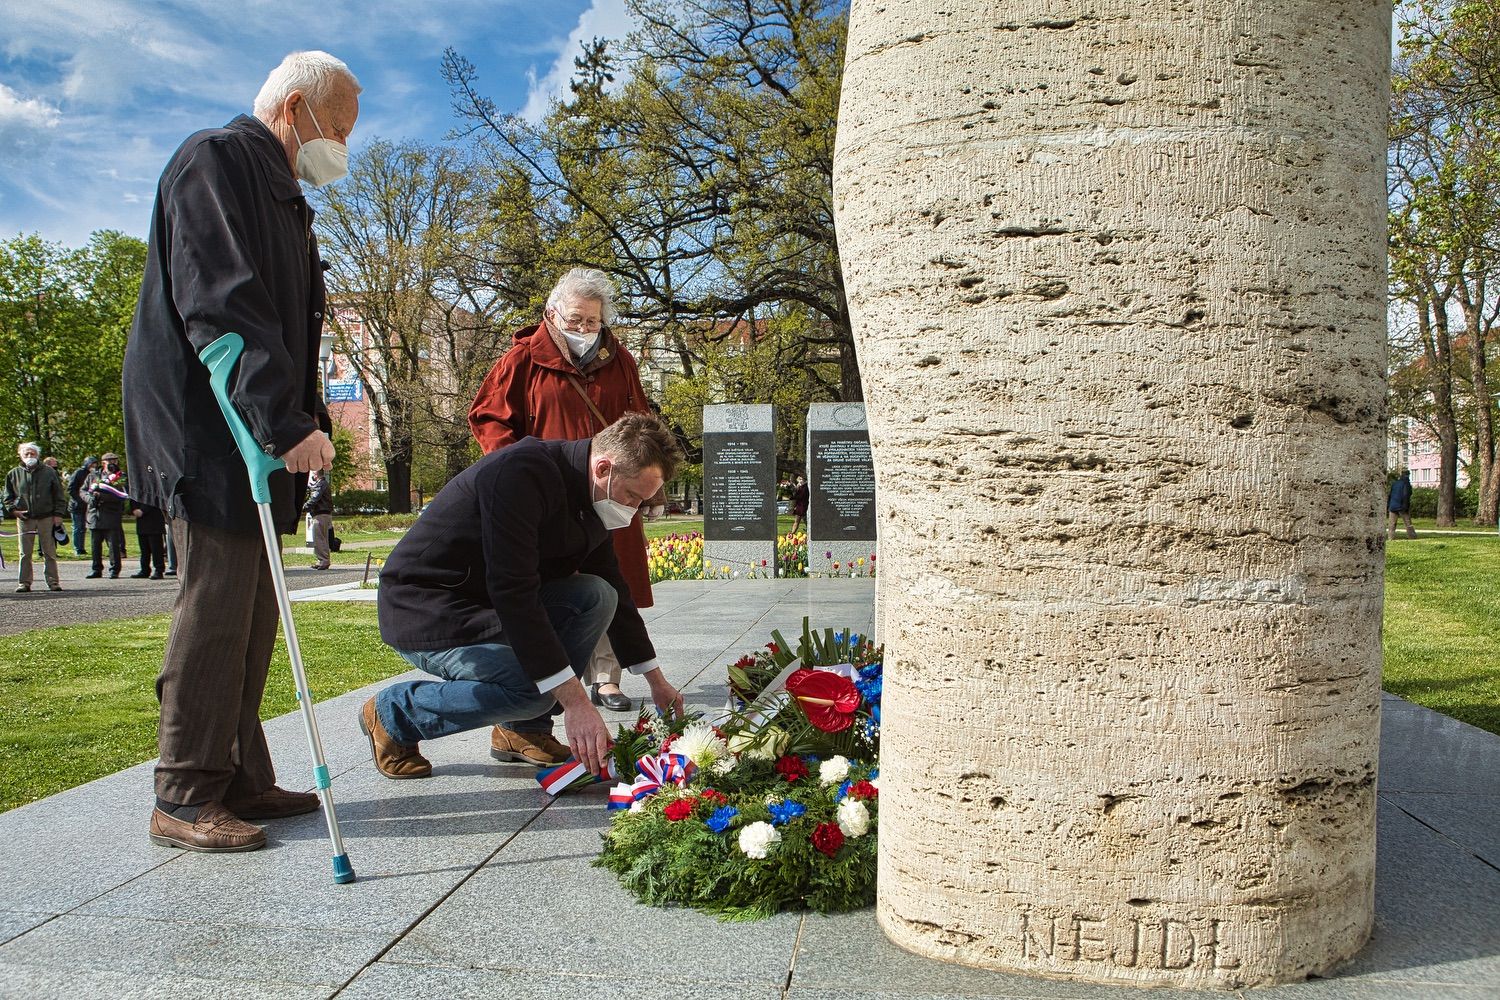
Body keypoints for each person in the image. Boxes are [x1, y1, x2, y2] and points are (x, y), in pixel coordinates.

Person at [122, 50, 360, 853]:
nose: (342, 146)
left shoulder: (285, 195)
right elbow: (222, 304)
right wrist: (281, 422)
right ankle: (184, 792)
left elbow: (295, 325)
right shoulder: (215, 161)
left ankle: (241, 773)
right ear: (294, 109)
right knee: (218, 605)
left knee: (258, 612)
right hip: (210, 426)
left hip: (253, 422)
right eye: (338, 127)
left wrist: (303, 412)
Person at [363, 412, 686, 780]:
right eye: (631, 496)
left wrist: (656, 681)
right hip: (430, 611)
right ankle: (396, 713)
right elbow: (515, 593)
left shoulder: (592, 498)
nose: (632, 511)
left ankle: (522, 730)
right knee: (534, 691)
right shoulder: (519, 473)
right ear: (603, 469)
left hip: (488, 606)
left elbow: (615, 588)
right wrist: (576, 702)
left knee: (597, 595)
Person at [468, 267, 661, 757]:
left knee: (608, 590)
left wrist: (644, 478)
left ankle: (604, 680)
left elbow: (641, 424)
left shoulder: (621, 361)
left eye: (593, 321)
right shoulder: (522, 359)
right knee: (546, 597)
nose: (584, 329)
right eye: (575, 319)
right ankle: (525, 720)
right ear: (552, 314)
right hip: (542, 501)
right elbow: (489, 418)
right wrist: (514, 475)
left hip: (607, 492)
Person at [3, 441, 67, 593]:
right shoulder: (13, 474)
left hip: (46, 517)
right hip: (25, 518)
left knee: (49, 551)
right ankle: (24, 583)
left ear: (38, 455)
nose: (30, 456)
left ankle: (53, 582)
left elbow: (58, 494)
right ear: (20, 455)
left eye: (32, 453)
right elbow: (7, 497)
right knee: (25, 552)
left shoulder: (49, 472)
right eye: (26, 453)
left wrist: (58, 514)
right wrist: (13, 510)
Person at [82, 453, 129, 579]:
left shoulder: (120, 476)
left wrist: (100, 496)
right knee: (95, 545)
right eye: (110, 461)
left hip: (111, 513)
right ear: (103, 462)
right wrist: (90, 498)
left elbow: (120, 493)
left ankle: (114, 569)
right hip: (95, 514)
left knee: (113, 544)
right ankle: (96, 569)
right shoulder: (93, 475)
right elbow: (83, 491)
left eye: (115, 460)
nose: (113, 463)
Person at [303, 468, 333, 569]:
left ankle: (323, 561)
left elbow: (315, 498)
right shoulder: (323, 483)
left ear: (316, 474)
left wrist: (304, 507)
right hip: (324, 514)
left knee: (319, 538)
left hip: (320, 514)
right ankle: (322, 560)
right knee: (322, 538)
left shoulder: (321, 484)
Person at [130, 499, 168, 579]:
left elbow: (154, 499)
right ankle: (145, 570)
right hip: (141, 522)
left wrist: (142, 510)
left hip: (154, 521)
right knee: (144, 550)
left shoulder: (153, 487)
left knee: (156, 549)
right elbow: (133, 498)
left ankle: (159, 570)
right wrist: (134, 509)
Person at [67, 456, 96, 555]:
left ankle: (81, 548)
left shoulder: (93, 474)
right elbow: (71, 489)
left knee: (83, 528)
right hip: (77, 505)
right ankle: (77, 549)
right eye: (92, 464)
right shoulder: (78, 473)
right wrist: (80, 499)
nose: (94, 466)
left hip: (87, 505)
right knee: (78, 527)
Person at [1388, 469, 1415, 540]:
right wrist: (1405, 506)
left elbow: (1390, 494)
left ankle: (1390, 537)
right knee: (1408, 523)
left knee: (1392, 524)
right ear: (1408, 475)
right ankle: (1412, 536)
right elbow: (1406, 495)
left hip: (1393, 505)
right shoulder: (1406, 483)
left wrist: (1389, 504)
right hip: (1402, 506)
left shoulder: (1395, 483)